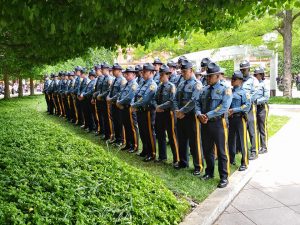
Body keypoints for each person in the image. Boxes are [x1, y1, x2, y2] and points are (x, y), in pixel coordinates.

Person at [196, 62, 232, 188]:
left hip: (218, 123)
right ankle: (209, 172)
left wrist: (208, 115)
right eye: (207, 76)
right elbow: (198, 103)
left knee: (222, 151)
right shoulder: (204, 89)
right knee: (207, 150)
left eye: (210, 76)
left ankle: (224, 177)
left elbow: (224, 107)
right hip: (205, 123)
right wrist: (199, 114)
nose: (207, 78)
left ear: (217, 76)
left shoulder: (225, 89)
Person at [173, 59, 203, 175]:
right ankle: (183, 162)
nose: (183, 73)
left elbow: (194, 101)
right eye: (182, 71)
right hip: (180, 116)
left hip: (191, 117)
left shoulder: (197, 84)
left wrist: (182, 111)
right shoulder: (181, 83)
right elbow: (175, 99)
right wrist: (177, 110)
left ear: (191, 71)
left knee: (194, 142)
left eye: (185, 71)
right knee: (182, 140)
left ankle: (198, 166)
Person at [154, 64, 179, 168]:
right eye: (160, 74)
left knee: (172, 136)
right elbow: (154, 98)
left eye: (162, 74)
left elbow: (172, 100)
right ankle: (162, 156)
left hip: (169, 113)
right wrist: (156, 107)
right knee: (160, 135)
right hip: (159, 113)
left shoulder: (171, 86)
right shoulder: (159, 86)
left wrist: (160, 107)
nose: (160, 76)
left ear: (167, 75)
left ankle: (176, 159)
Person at [132, 63, 157, 162]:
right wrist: (135, 104)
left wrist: (134, 105)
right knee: (142, 131)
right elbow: (136, 95)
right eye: (142, 72)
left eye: (145, 72)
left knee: (149, 132)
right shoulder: (143, 82)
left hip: (148, 111)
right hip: (140, 110)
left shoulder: (152, 85)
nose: (143, 73)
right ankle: (145, 150)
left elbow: (145, 99)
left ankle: (152, 153)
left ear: (151, 73)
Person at [228, 71, 251, 171]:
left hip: (239, 118)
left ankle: (244, 162)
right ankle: (231, 159)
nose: (232, 81)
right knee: (231, 140)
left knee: (242, 141)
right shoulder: (229, 91)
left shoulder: (244, 93)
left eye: (234, 79)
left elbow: (247, 106)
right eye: (232, 79)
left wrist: (234, 110)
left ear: (240, 81)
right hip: (230, 119)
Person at [116, 66, 139, 152]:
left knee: (132, 127)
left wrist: (119, 102)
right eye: (125, 74)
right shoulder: (126, 84)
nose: (126, 76)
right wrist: (118, 101)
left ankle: (135, 146)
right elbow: (120, 94)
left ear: (133, 74)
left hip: (129, 108)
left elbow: (129, 97)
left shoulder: (134, 85)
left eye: (128, 74)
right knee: (126, 126)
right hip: (123, 107)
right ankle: (128, 144)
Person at [240, 60, 259, 160]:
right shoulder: (240, 79)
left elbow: (255, 94)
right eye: (242, 69)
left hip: (250, 108)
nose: (243, 71)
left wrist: (246, 102)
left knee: (251, 130)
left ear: (249, 69)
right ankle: (243, 150)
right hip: (241, 108)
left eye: (245, 69)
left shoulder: (253, 80)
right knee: (242, 130)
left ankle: (254, 151)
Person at [107, 63, 127, 146]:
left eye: (114, 70)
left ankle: (121, 140)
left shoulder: (122, 80)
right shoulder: (115, 79)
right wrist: (108, 97)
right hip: (113, 104)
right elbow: (110, 90)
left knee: (119, 122)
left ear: (119, 71)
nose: (112, 72)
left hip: (118, 104)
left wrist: (111, 99)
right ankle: (117, 138)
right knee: (115, 121)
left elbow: (120, 93)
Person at [254, 67, 270, 154]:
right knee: (255, 127)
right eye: (255, 74)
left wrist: (257, 101)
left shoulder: (264, 84)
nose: (256, 76)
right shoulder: (254, 84)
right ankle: (257, 146)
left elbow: (266, 97)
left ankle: (264, 146)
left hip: (262, 107)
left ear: (261, 75)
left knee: (262, 127)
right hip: (255, 108)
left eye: (257, 74)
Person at [97, 62, 115, 141]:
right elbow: (101, 89)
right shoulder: (104, 78)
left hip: (106, 101)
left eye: (102, 69)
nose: (101, 70)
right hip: (102, 101)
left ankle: (111, 135)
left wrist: (101, 95)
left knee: (108, 119)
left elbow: (109, 90)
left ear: (106, 69)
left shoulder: (109, 78)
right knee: (105, 118)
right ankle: (106, 134)